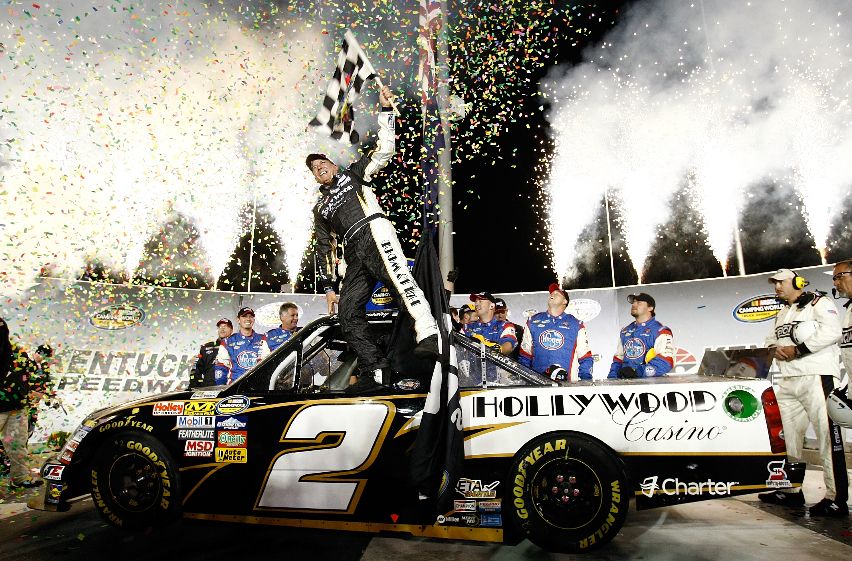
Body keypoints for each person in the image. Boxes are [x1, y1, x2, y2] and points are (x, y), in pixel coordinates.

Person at [307, 84, 438, 392]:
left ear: (333, 164)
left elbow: (385, 149)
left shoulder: (353, 174)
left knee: (400, 280)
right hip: (353, 251)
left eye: (322, 162)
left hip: (374, 230)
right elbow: (324, 246)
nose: (319, 167)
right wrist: (328, 286)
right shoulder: (320, 207)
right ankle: (375, 370)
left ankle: (429, 334)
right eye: (314, 168)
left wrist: (386, 112)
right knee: (349, 311)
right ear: (315, 177)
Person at [758, 268, 848, 517]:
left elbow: (832, 331)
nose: (776, 287)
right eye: (774, 283)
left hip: (816, 376)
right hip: (787, 379)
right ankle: (790, 491)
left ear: (798, 282)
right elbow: (769, 338)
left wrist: (799, 350)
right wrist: (774, 348)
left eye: (780, 283)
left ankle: (836, 497)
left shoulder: (820, 302)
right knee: (787, 438)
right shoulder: (783, 311)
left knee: (827, 438)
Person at [0, 318, 43, 488]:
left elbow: (28, 375)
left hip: (17, 408)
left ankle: (21, 477)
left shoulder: (18, 353)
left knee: (18, 446)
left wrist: (29, 393)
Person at [519, 284, 593, 381]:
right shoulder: (533, 321)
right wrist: (524, 380)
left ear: (565, 301)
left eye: (557, 293)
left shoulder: (576, 324)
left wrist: (585, 382)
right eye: (551, 293)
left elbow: (585, 357)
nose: (552, 294)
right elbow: (525, 355)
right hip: (537, 385)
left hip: (566, 386)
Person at [607, 293, 674, 379]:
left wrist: (637, 372)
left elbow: (666, 361)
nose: (634, 305)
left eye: (639, 302)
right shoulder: (625, 331)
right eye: (633, 302)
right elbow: (618, 359)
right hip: (626, 384)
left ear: (650, 308)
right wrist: (612, 378)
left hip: (651, 386)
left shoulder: (660, 331)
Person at [214, 308, 270, 386]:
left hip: (257, 386)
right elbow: (221, 367)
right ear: (238, 320)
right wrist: (221, 387)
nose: (248, 319)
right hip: (234, 387)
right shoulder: (227, 342)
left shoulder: (263, 339)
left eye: (250, 316)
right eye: (244, 316)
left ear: (253, 319)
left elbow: (266, 365)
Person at [190, 318, 233, 388]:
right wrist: (193, 386)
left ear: (231, 330)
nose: (222, 329)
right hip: (209, 387)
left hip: (229, 387)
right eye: (220, 327)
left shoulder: (236, 347)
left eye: (225, 326)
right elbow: (196, 369)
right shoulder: (206, 347)